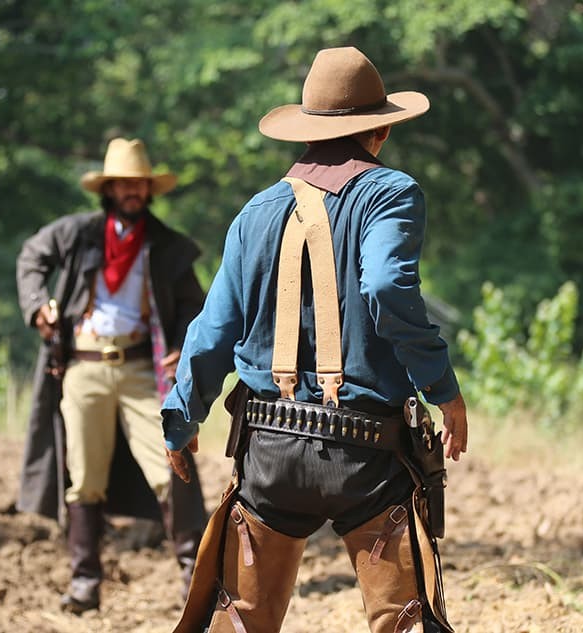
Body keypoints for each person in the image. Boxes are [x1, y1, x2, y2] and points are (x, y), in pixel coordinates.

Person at [161, 47, 469, 633]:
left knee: (241, 622)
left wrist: (182, 417)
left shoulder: (255, 211)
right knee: (404, 623)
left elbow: (214, 329)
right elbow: (384, 285)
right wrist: (442, 388)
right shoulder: (391, 192)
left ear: (305, 133)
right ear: (379, 129)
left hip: (268, 452)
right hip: (368, 457)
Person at [15, 138, 208, 614]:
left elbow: (193, 306)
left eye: (139, 183)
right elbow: (30, 258)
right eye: (123, 182)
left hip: (143, 368)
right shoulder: (78, 234)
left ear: (149, 189)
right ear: (107, 188)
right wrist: (38, 305)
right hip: (84, 368)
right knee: (83, 478)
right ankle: (84, 584)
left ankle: (196, 581)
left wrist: (183, 346)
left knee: (173, 464)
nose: (132, 190)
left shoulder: (165, 245)